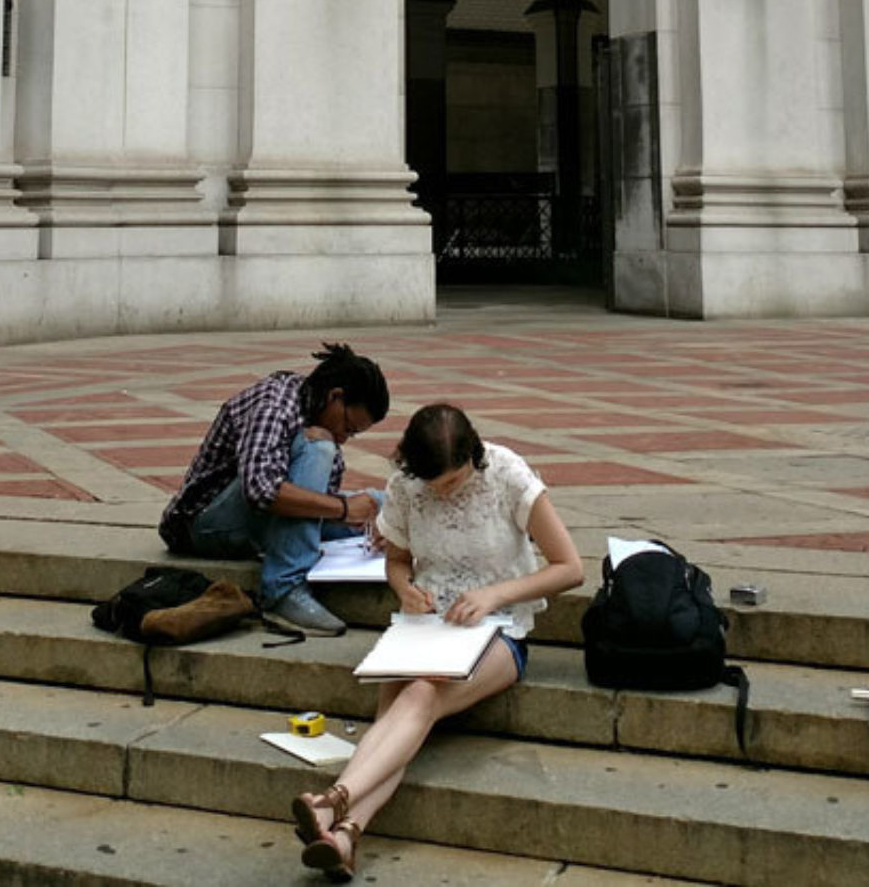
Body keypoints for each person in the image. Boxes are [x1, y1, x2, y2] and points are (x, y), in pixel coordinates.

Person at [289, 403, 584, 882]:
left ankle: (333, 799)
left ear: (474, 456)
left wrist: (494, 595)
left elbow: (570, 568)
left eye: (452, 482)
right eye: (434, 485)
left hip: (500, 630)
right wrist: (404, 588)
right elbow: (398, 561)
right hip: (425, 627)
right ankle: (342, 837)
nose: (442, 492)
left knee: (423, 693)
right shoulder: (407, 484)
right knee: (394, 723)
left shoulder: (508, 473)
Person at [159, 342, 389, 636]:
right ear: (335, 397)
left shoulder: (313, 407)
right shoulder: (275, 404)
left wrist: (373, 516)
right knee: (319, 447)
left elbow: (314, 503)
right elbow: (261, 490)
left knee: (376, 504)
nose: (344, 438)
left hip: (257, 520)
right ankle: (283, 590)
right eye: (348, 427)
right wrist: (344, 510)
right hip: (202, 525)